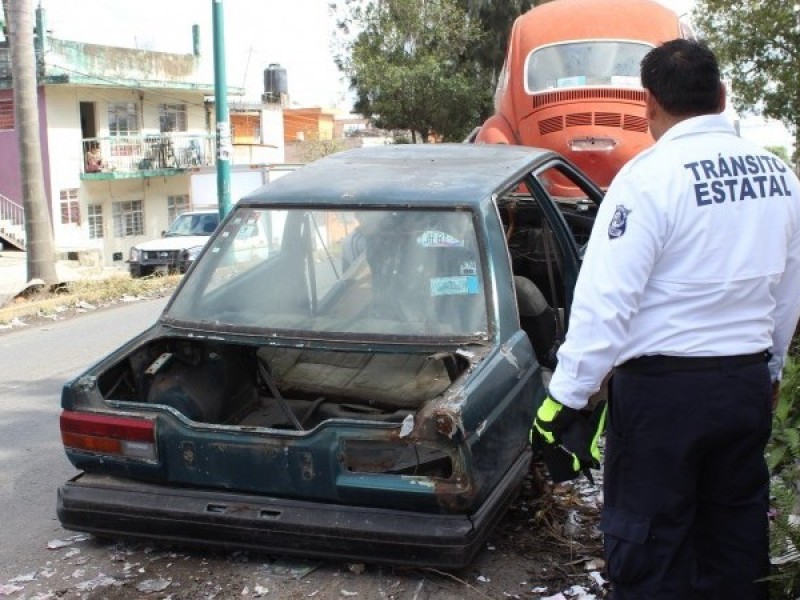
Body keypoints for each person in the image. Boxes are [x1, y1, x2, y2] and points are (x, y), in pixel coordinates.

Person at [531, 38, 800, 599]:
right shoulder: (781, 179)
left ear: (648, 103)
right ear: (722, 96)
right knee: (734, 545)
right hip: (742, 388)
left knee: (651, 549)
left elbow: (606, 303)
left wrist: (566, 398)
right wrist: (771, 368)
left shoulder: (647, 178)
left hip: (662, 403)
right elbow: (788, 289)